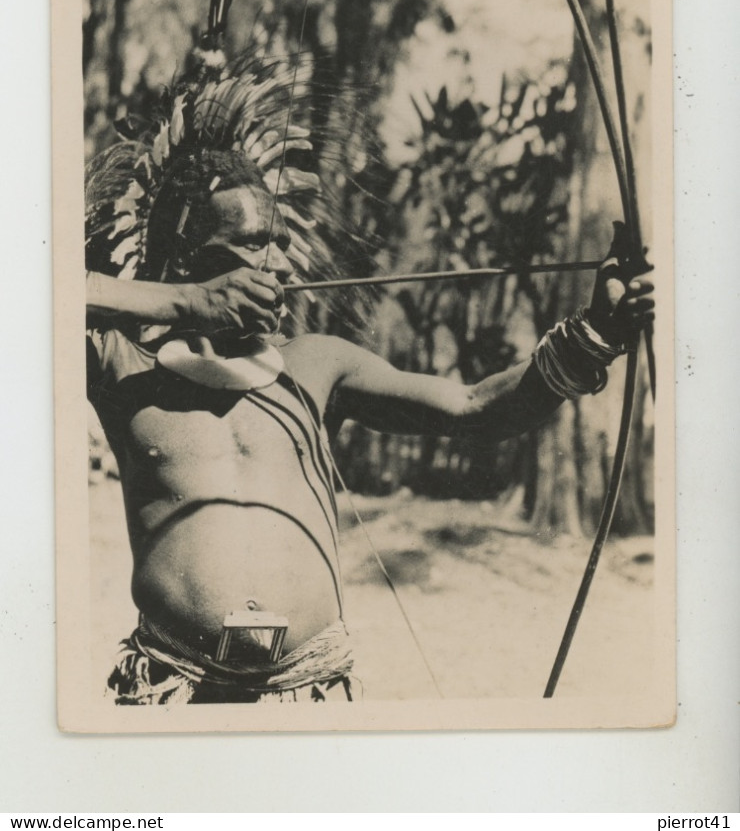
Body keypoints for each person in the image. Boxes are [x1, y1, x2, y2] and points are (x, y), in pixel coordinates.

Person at [86, 147, 654, 706]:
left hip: (309, 690)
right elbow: (30, 287)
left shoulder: (317, 362)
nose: (280, 266)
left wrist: (596, 331)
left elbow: (476, 406)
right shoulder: (120, 364)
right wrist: (184, 303)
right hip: (176, 688)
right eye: (255, 244)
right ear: (186, 258)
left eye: (282, 243)